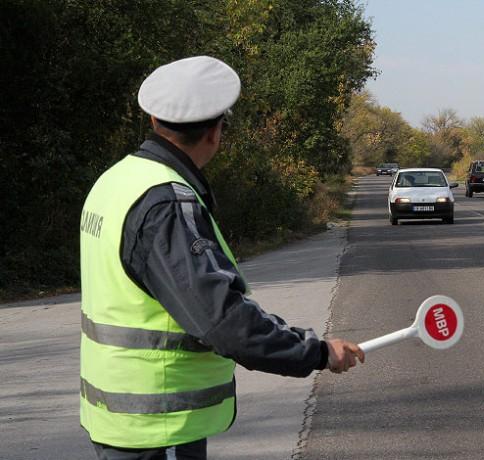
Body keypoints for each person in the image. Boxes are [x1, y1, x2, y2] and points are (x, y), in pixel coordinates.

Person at [79, 56, 365, 460]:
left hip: (120, 415)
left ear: (153, 120)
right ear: (215, 132)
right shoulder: (165, 202)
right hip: (163, 419)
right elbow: (224, 321)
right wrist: (316, 351)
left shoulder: (115, 180)